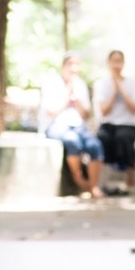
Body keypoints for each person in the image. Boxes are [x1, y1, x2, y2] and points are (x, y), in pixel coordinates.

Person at [40, 53, 104, 199]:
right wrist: (68, 92)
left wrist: (78, 98)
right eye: (70, 64)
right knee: (72, 140)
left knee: (94, 144)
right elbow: (51, 111)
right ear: (63, 66)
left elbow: (86, 113)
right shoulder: (52, 83)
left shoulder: (80, 85)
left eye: (76, 65)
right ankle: (79, 179)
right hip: (56, 125)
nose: (73, 69)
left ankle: (94, 186)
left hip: (77, 124)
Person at [94, 49, 135, 194]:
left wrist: (121, 90)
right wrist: (114, 91)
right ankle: (104, 181)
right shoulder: (102, 84)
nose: (116, 65)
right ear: (108, 63)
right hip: (109, 123)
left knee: (123, 137)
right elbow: (103, 111)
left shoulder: (133, 83)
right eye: (113, 61)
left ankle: (131, 177)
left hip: (128, 124)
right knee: (103, 137)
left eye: (119, 61)